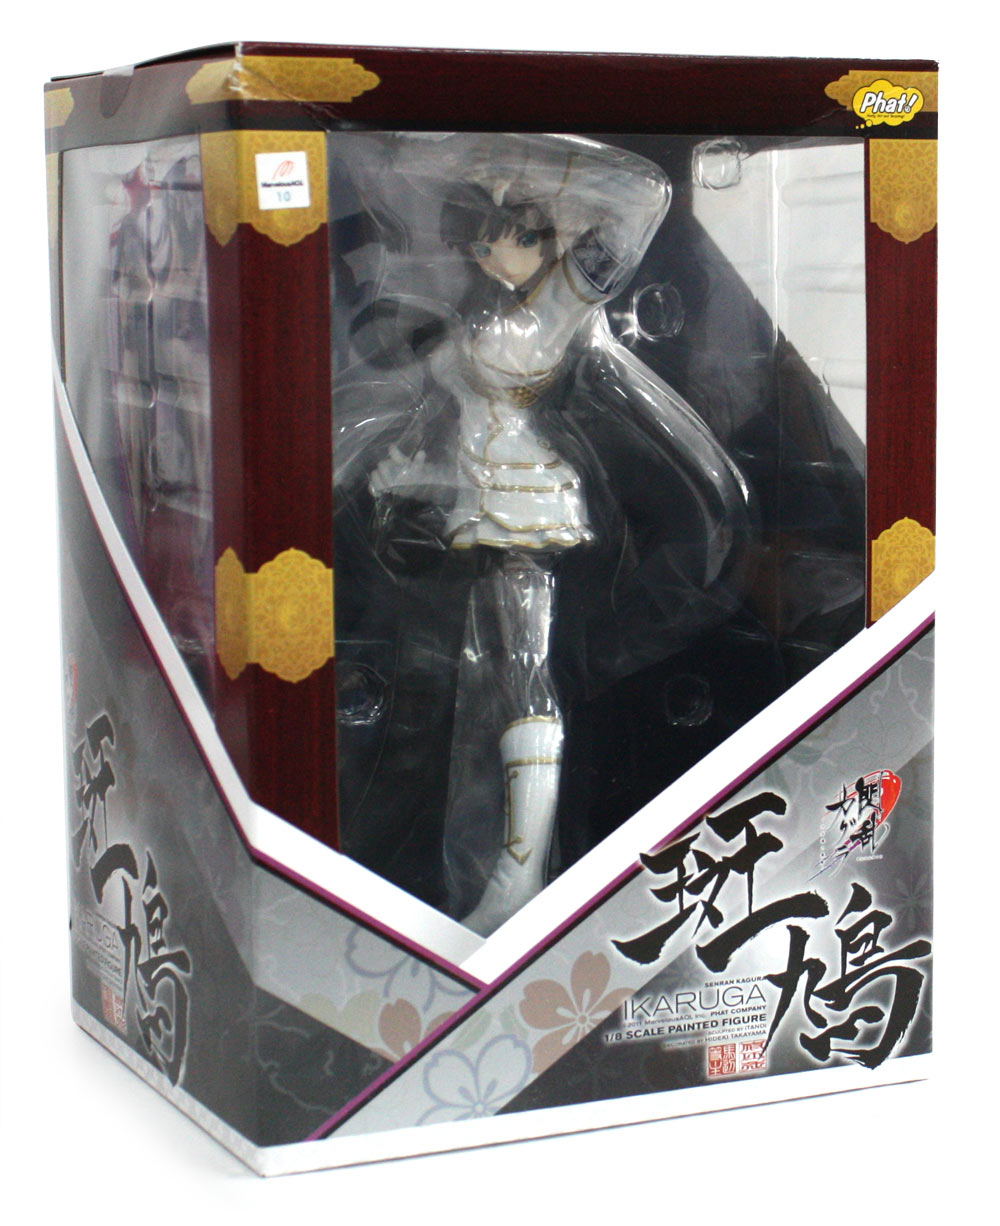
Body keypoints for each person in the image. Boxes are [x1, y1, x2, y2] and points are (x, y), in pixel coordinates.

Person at [349, 134, 750, 934]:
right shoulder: (489, 316)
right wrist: (405, 472)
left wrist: (541, 170)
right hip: (480, 507)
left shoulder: (559, 305)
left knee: (522, 680)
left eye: (513, 236)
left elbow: (642, 201)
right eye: (486, 238)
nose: (492, 250)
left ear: (545, 239)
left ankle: (520, 872)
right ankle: (502, 868)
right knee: (497, 682)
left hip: (524, 512)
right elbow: (454, 425)